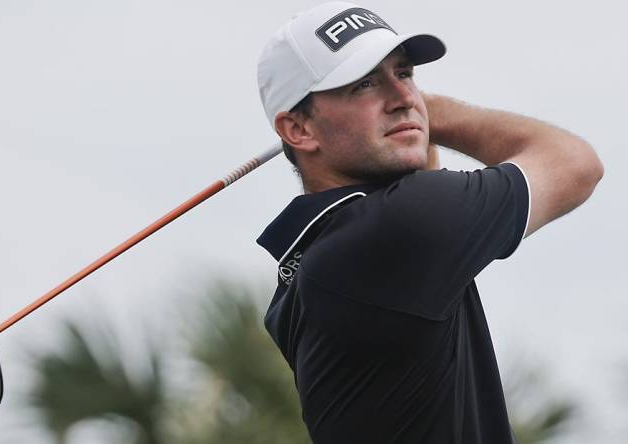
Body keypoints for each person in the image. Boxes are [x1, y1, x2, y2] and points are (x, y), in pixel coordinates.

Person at [255, 2, 604, 444]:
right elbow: (575, 163)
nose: (402, 98)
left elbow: (423, 180)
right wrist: (433, 114)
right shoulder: (395, 226)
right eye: (363, 84)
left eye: (404, 74)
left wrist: (407, 122)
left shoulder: (313, 259)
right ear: (299, 130)